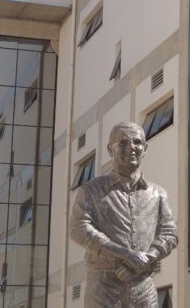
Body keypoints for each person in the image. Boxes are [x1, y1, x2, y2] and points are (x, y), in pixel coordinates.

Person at [71, 122, 178, 308]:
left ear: (145, 149)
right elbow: (78, 229)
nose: (131, 147)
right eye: (123, 143)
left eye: (137, 142)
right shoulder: (90, 190)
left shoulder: (158, 194)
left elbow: (170, 234)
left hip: (144, 288)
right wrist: (125, 254)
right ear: (110, 150)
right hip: (103, 288)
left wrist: (145, 259)